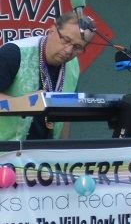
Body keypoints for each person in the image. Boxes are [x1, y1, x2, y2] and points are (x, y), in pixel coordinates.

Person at [0, 12, 94, 142]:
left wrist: (63, 153)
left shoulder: (73, 65)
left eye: (77, 47)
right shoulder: (14, 53)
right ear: (52, 30)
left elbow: (66, 116)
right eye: (66, 40)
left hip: (46, 154)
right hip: (6, 153)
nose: (68, 50)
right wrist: (26, 103)